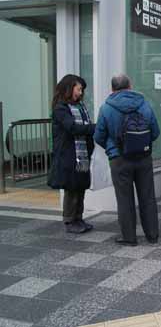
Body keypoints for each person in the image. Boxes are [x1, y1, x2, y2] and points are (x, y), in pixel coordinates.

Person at [94, 74, 160, 246]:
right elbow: (155, 131)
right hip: (144, 157)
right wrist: (142, 144)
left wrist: (112, 149)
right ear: (130, 86)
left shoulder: (106, 108)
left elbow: (98, 135)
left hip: (119, 159)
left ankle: (129, 237)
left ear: (112, 88)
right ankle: (152, 235)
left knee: (124, 199)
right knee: (147, 196)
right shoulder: (144, 104)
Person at [48, 75, 96, 234]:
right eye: (79, 89)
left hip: (81, 156)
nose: (81, 93)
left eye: (82, 90)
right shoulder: (61, 108)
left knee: (80, 187)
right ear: (69, 88)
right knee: (71, 188)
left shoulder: (79, 107)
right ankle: (69, 220)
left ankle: (78, 217)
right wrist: (94, 127)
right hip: (68, 155)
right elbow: (72, 128)